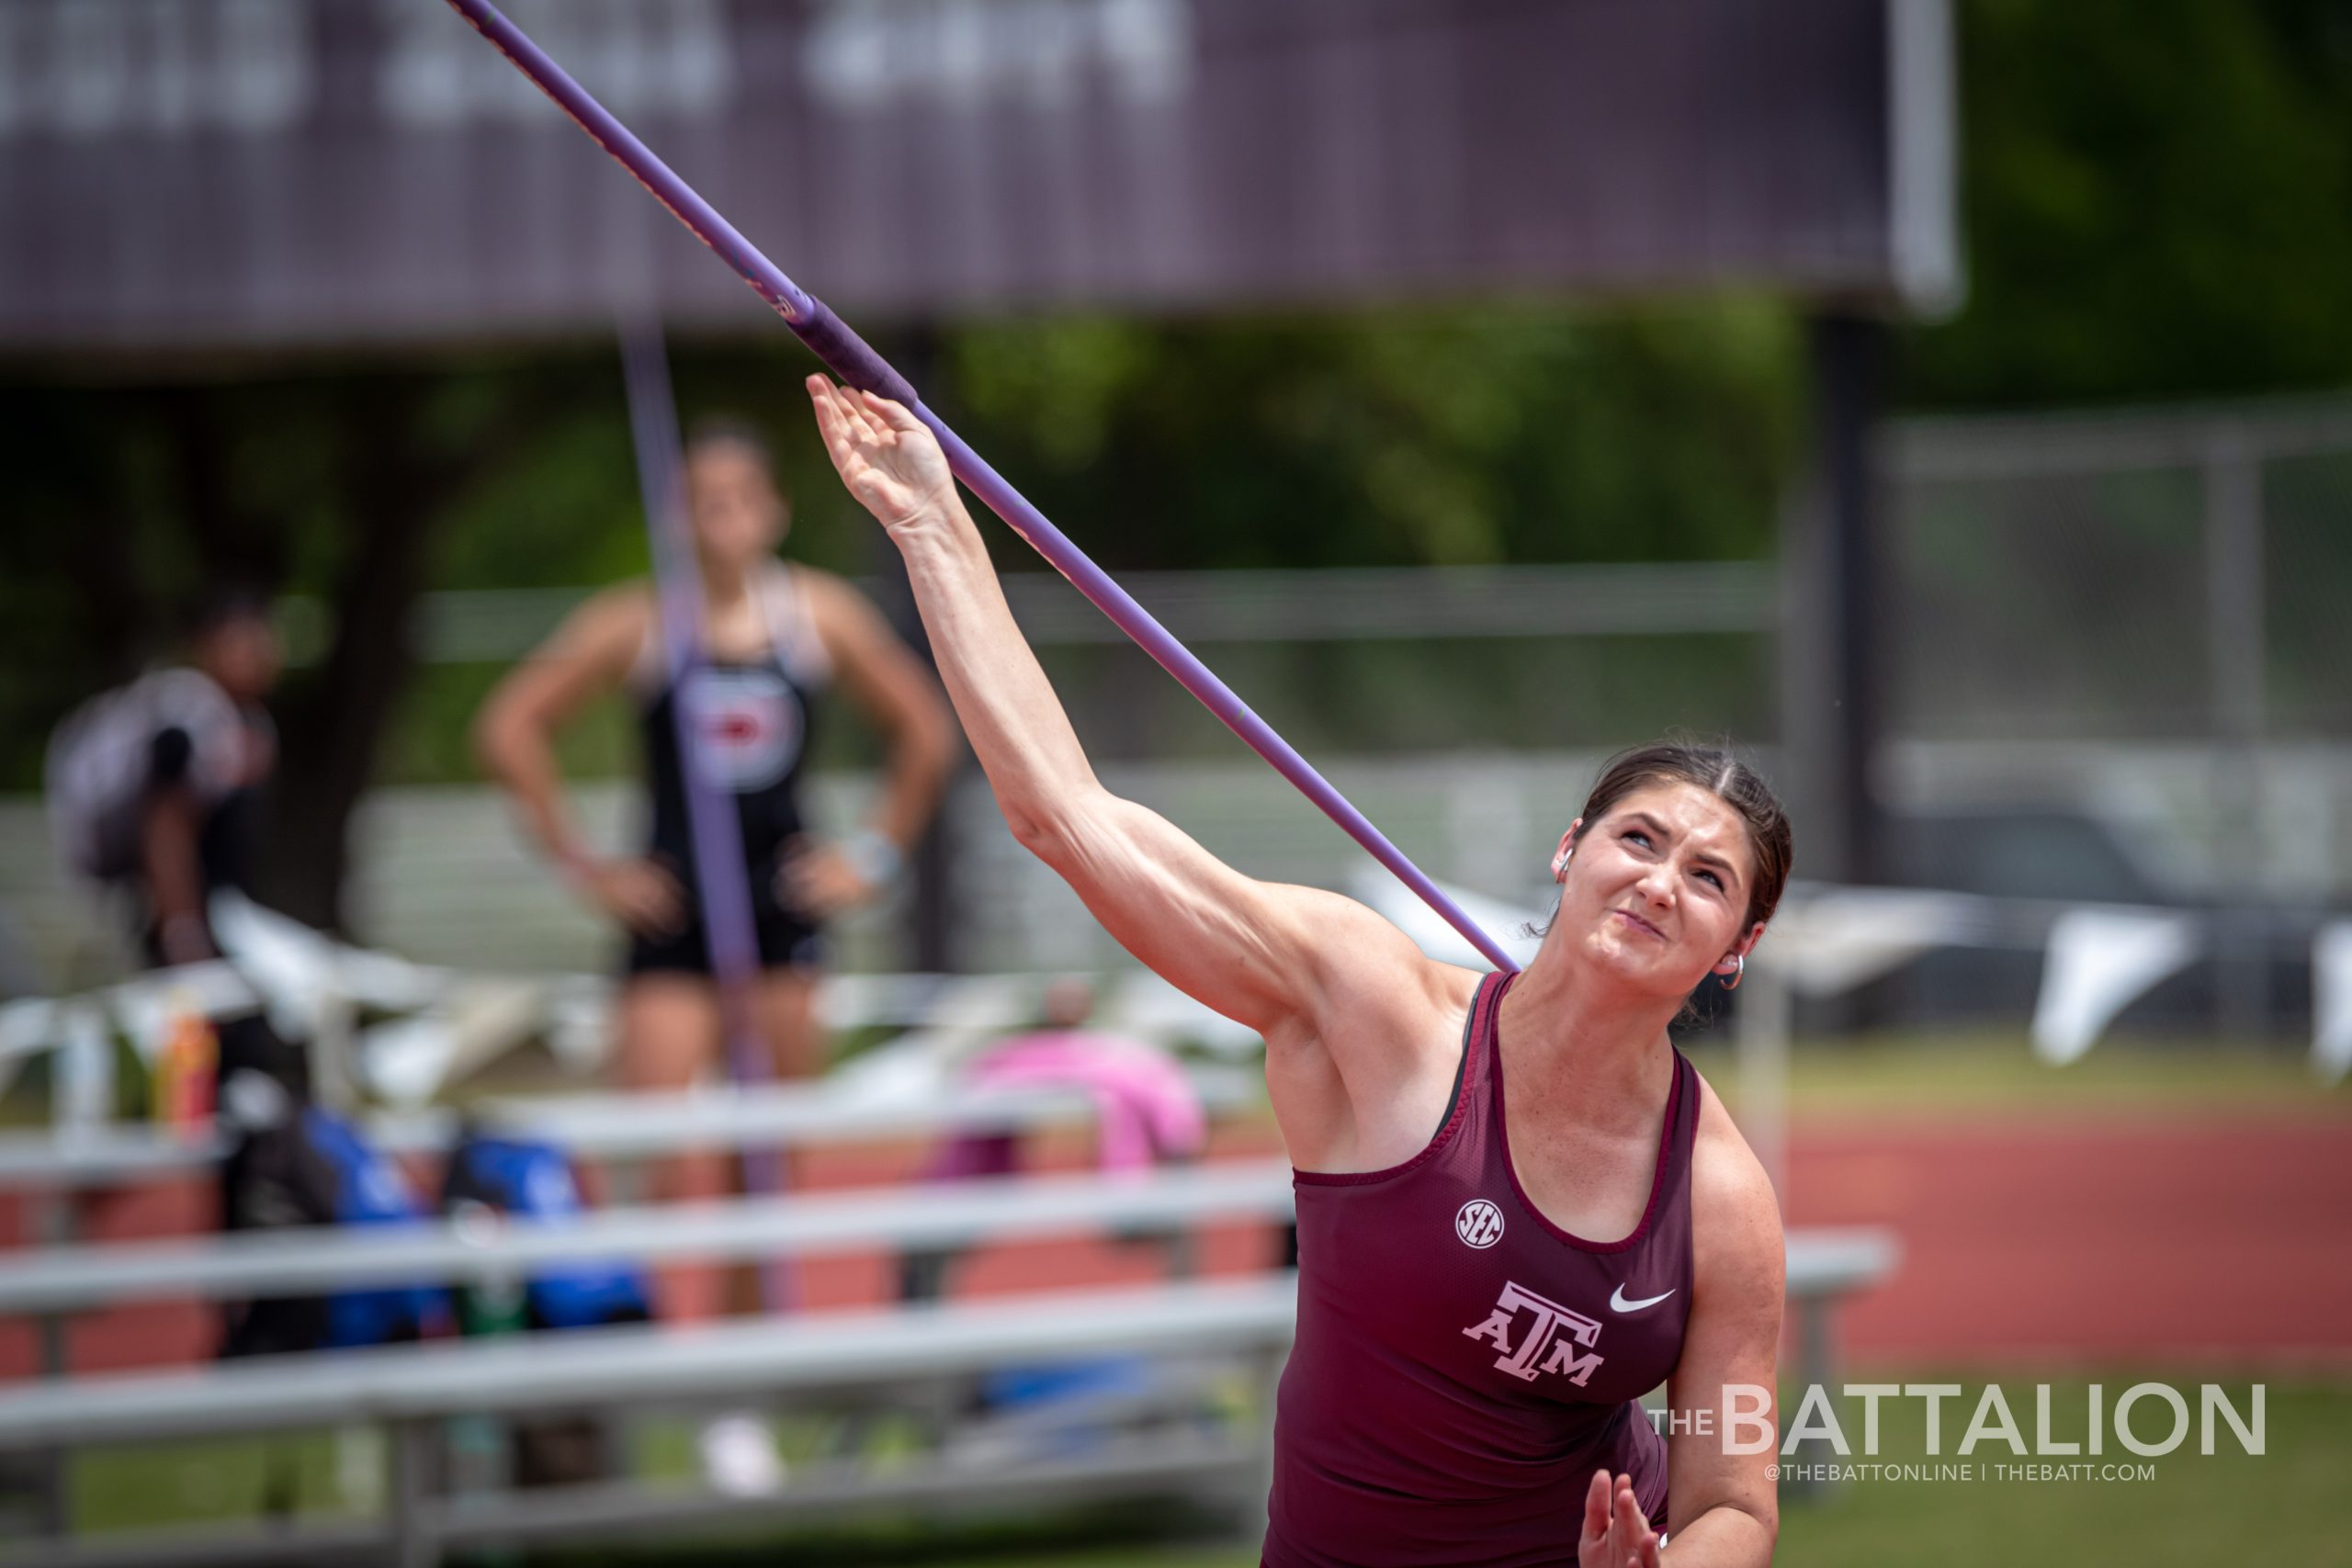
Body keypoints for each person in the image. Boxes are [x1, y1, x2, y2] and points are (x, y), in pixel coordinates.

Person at [806, 378, 1788, 1568]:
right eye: (1638, 838)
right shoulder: (1371, 1006)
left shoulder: (1720, 1197)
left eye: (1709, 875)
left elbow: (1733, 1498)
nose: (1659, 880)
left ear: (1735, 949)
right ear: (1570, 849)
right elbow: (1064, 815)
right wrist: (929, 524)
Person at [474, 417, 955, 1290]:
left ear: (772, 509)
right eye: (702, 499)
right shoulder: (640, 620)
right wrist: (585, 866)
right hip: (672, 916)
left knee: (764, 1170)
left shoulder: (818, 613)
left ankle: (742, 1400)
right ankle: (638, 1352)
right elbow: (509, 726)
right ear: (677, 513)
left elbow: (926, 730)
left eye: (738, 497)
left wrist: (871, 858)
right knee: (656, 1161)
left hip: (785, 914)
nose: (721, 515)